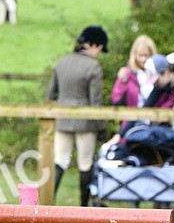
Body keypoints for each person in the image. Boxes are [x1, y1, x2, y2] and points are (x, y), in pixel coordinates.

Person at [46, 25, 107, 206]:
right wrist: (102, 127)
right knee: (85, 162)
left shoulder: (62, 62)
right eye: (101, 49)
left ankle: (48, 202)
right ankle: (83, 206)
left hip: (62, 120)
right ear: (93, 45)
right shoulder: (93, 67)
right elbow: (96, 102)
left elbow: (50, 95)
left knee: (60, 160)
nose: (100, 53)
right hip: (85, 123)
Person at [111, 35, 158, 128]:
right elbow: (116, 100)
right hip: (132, 125)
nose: (143, 59)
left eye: (146, 55)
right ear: (134, 55)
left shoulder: (158, 75)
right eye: (140, 55)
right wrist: (122, 82)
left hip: (154, 124)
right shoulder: (127, 74)